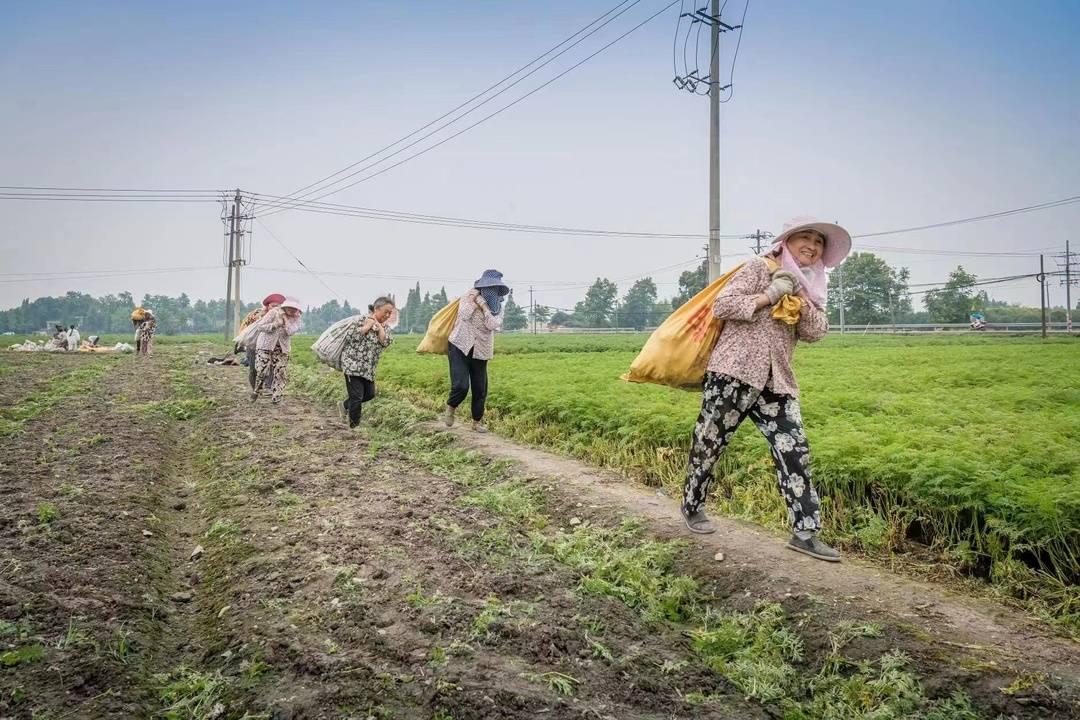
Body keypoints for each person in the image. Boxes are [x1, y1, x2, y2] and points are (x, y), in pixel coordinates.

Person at [680, 217, 852, 563]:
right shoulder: (759, 267)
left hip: (777, 382)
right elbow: (723, 305)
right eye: (805, 238)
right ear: (787, 241)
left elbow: (816, 332)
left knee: (795, 451)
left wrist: (799, 299)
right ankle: (692, 506)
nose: (812, 246)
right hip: (733, 373)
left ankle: (805, 532)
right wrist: (770, 294)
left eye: (818, 242)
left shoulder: (811, 284)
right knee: (709, 443)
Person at [443, 269, 508, 433]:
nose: (490, 291)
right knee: (461, 385)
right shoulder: (467, 297)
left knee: (480, 388)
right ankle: (451, 406)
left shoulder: (499, 307)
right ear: (482, 287)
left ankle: (476, 422)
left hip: (481, 349)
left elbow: (493, 325)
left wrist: (485, 306)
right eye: (488, 288)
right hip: (460, 345)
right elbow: (464, 315)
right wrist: (474, 301)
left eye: (494, 288)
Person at [339, 297, 396, 429]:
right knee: (357, 397)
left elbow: (386, 342)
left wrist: (380, 328)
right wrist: (366, 327)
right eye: (385, 312)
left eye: (390, 313)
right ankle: (354, 426)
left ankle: (344, 405)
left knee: (369, 394)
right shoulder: (359, 320)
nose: (387, 316)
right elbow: (348, 336)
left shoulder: (385, 327)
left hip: (368, 368)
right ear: (376, 309)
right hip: (352, 365)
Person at [251, 297, 303, 404]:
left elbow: (291, 331)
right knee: (262, 370)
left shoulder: (297, 317)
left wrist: (284, 321)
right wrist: (275, 325)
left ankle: (277, 397)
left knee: (281, 372)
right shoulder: (274, 312)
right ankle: (257, 389)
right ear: (285, 306)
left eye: (294, 309)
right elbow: (260, 326)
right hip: (265, 345)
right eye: (290, 308)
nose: (291, 311)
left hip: (282, 348)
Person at [238, 293, 285, 390]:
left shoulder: (282, 317)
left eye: (278, 306)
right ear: (268, 306)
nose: (275, 308)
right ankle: (255, 389)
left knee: (271, 366)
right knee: (253, 369)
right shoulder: (257, 315)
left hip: (269, 346)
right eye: (273, 306)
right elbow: (245, 328)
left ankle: (268, 388)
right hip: (253, 346)